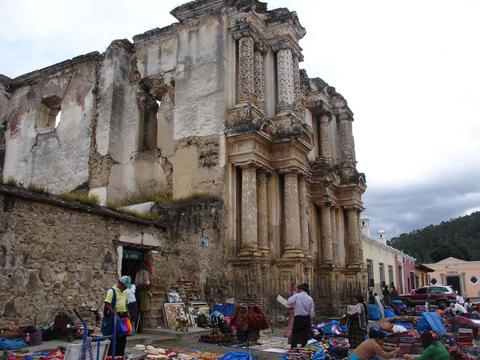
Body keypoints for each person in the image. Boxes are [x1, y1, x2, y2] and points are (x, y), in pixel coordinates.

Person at [104, 276, 131, 356]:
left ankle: (120, 355)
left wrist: (128, 313)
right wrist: (115, 315)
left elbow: (126, 304)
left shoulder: (125, 292)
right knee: (114, 337)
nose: (126, 288)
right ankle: (112, 355)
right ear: (121, 284)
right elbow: (107, 305)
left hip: (123, 317)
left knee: (122, 338)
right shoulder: (112, 291)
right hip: (114, 316)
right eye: (125, 286)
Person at [287, 283, 315, 349]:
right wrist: (311, 319)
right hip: (307, 317)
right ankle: (303, 346)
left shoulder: (296, 296)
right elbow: (312, 312)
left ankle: (293, 347)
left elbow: (288, 302)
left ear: (301, 289)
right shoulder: (310, 298)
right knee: (305, 333)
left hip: (298, 317)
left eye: (298, 289)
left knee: (296, 333)